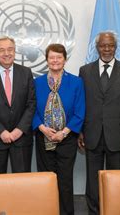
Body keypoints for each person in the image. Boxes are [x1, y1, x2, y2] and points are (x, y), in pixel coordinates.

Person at [78, 31, 120, 215]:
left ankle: (114, 211)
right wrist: (80, 131)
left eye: (110, 45)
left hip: (118, 137)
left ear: (115, 47)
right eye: (103, 45)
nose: (106, 49)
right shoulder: (85, 71)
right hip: (92, 135)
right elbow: (81, 104)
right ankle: (94, 212)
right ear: (97, 48)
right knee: (93, 181)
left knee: (115, 180)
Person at [33, 44, 85, 215]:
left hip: (67, 139)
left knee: (65, 180)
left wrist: (64, 132)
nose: (55, 61)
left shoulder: (76, 82)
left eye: (59, 57)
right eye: (52, 57)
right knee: (47, 179)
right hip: (43, 138)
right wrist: (43, 129)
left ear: (65, 59)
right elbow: (31, 109)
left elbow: (80, 112)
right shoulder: (37, 83)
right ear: (47, 60)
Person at [0, 36, 36, 174]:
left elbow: (31, 104)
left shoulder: (26, 73)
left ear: (15, 52)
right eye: (1, 50)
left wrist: (19, 130)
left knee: (22, 184)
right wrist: (1, 132)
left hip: (21, 139)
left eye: (10, 49)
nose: (6, 53)